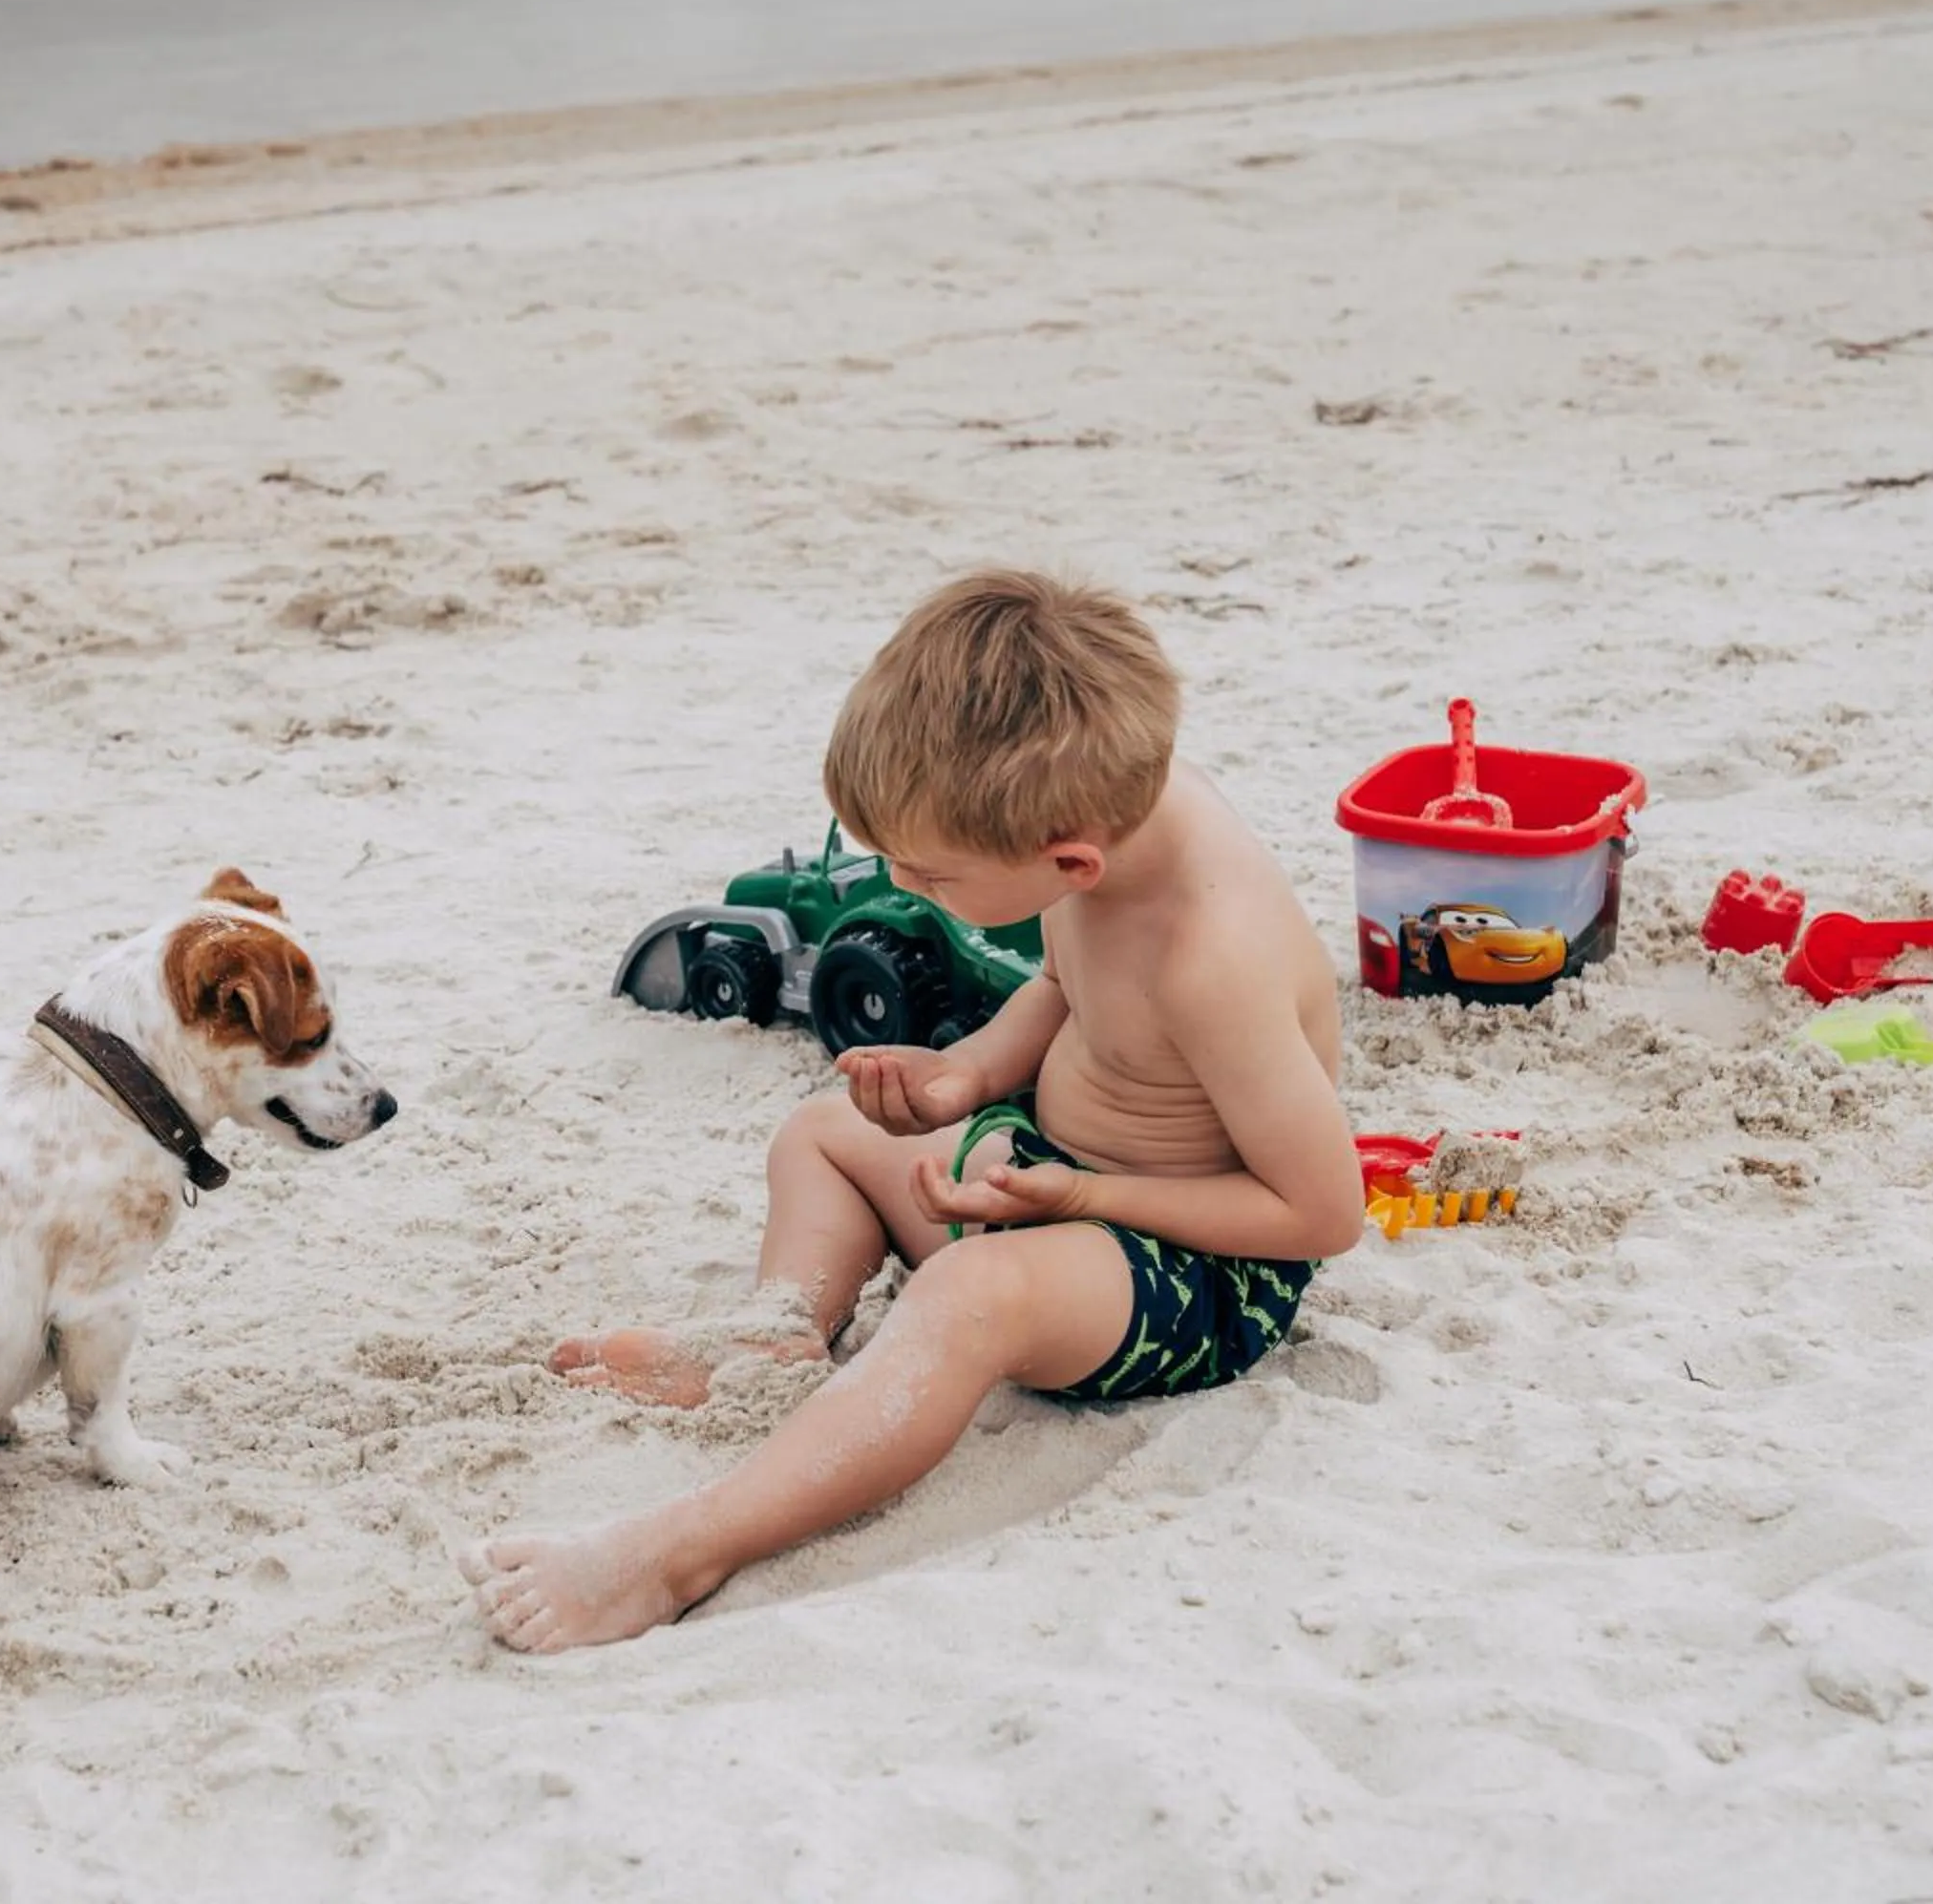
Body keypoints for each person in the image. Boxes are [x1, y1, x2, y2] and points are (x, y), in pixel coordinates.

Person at [460, 569, 1363, 1652]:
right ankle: (778, 1332)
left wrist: (1086, 1192)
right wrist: (968, 1078)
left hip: (1196, 1269)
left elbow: (1320, 1214)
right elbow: (1064, 987)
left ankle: (684, 1547)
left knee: (968, 1294)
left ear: (1068, 858)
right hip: (1056, 1176)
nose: (902, 881)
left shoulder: (1211, 955)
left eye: (928, 874)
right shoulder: (1109, 828)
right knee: (822, 1134)